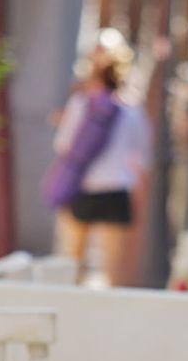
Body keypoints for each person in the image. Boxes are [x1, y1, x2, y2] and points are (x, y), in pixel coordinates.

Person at [49, 30, 153, 287]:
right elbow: (143, 160)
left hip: (83, 187)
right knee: (113, 271)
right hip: (116, 190)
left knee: (71, 266)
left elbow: (63, 146)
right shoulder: (132, 110)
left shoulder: (81, 103)